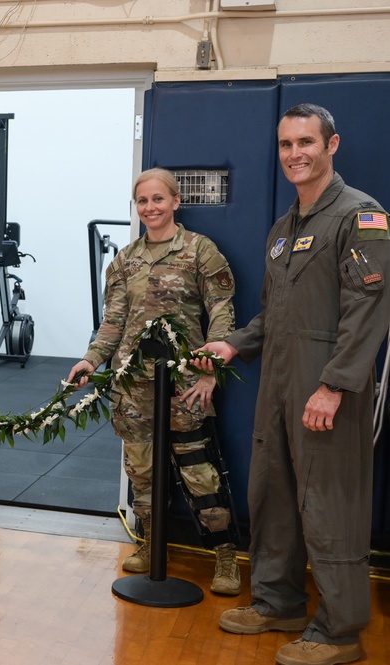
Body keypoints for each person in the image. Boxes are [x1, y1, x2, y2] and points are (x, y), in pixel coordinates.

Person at [198, 104, 389, 665]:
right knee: (273, 495)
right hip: (278, 388)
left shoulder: (361, 217)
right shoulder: (285, 229)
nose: (294, 154)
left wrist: (334, 386)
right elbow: (273, 313)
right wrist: (234, 343)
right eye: (285, 145)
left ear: (332, 145)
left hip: (329, 393)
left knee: (332, 506)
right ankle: (279, 602)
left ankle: (339, 630)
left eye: (306, 142)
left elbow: (370, 309)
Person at [66, 168, 242, 595]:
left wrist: (210, 368)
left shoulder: (201, 251)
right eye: (142, 201)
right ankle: (150, 543)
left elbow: (221, 309)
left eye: (158, 199)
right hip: (133, 384)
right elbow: (113, 322)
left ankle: (225, 556)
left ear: (176, 201)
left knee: (200, 472)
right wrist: (92, 360)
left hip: (186, 382)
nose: (150, 208)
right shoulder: (125, 260)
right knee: (142, 471)